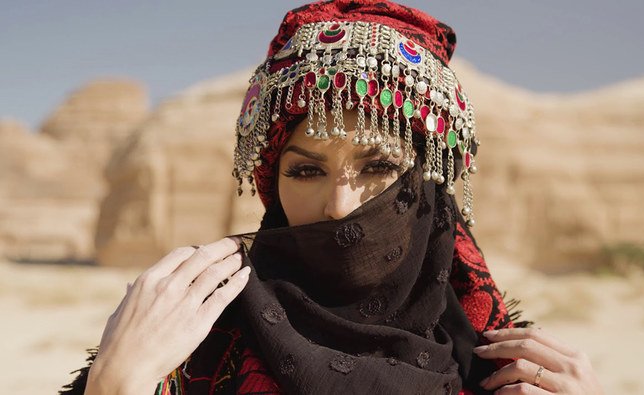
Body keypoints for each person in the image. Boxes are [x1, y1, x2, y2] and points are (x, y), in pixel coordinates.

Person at [62, 1, 603, 394]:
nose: (340, 207)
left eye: (379, 166)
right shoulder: (182, 345)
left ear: (429, 186)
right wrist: (114, 387)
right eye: (305, 171)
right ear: (271, 185)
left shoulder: (507, 369)